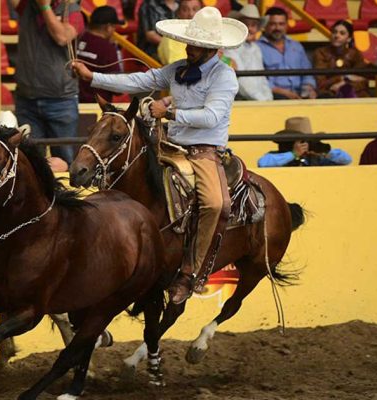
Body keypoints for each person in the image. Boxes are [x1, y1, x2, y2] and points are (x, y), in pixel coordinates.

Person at [73, 6, 247, 304]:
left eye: (196, 45)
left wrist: (169, 111)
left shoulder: (224, 77)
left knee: (216, 204)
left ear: (212, 48)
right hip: (167, 144)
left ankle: (190, 273)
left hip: (203, 151)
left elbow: (212, 116)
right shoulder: (178, 68)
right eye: (190, 42)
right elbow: (140, 81)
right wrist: (93, 77)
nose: (189, 48)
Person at [14, 0, 85, 167]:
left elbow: (62, 37)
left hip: (61, 100)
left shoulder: (73, 11)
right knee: (30, 163)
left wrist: (45, 7)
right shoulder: (26, 5)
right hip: (27, 98)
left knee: (65, 162)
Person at [257, 7, 317, 100]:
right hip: (273, 96)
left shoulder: (296, 46)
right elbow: (258, 80)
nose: (277, 28)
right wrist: (285, 93)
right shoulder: (257, 47)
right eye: (273, 24)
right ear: (265, 25)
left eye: (281, 24)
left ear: (286, 25)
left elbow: (307, 72)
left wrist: (308, 89)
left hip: (299, 94)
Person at [223, 4, 273, 101]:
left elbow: (262, 78)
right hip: (241, 99)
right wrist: (262, 100)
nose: (250, 28)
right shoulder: (230, 48)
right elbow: (240, 81)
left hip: (260, 100)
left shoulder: (256, 48)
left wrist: (269, 98)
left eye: (253, 25)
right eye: (246, 24)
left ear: (258, 28)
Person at [257, 116, 352, 167]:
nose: (306, 145)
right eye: (302, 141)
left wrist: (326, 152)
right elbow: (263, 163)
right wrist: (293, 154)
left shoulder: (316, 157)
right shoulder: (278, 156)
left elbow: (347, 160)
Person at [76, 6, 124, 103]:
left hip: (73, 103)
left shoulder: (76, 39)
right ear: (108, 27)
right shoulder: (107, 48)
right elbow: (118, 88)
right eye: (114, 27)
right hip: (97, 107)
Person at [313, 20, 369, 98]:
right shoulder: (320, 53)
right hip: (329, 94)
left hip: (352, 93)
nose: (337, 35)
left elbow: (363, 81)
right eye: (334, 32)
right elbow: (320, 83)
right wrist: (344, 77)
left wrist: (344, 84)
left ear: (349, 38)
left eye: (342, 33)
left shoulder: (355, 54)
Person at [158, 0, 202, 65]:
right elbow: (178, 67)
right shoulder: (172, 35)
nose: (191, 14)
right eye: (185, 10)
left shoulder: (205, 34)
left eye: (195, 9)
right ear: (178, 13)